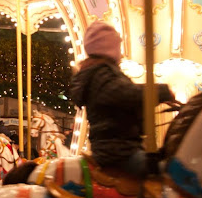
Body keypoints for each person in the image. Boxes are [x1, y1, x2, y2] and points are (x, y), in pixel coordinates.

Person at [69, 21, 174, 178]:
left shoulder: (100, 73)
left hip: (120, 147)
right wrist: (162, 91)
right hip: (117, 152)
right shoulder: (102, 75)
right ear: (109, 49)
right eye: (118, 47)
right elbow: (128, 94)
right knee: (167, 171)